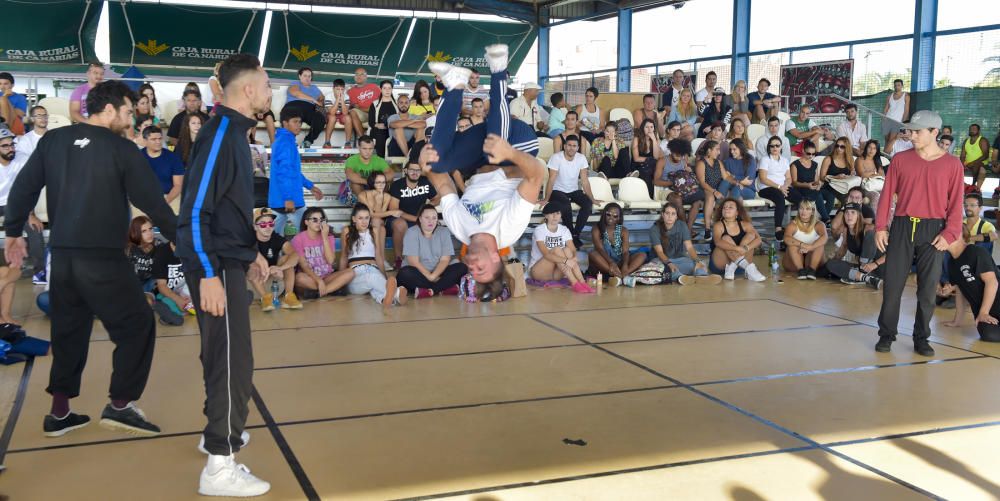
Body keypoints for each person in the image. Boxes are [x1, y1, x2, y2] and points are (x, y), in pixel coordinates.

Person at [4, 80, 178, 441]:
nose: (131, 119)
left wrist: (13, 233)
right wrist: (183, 241)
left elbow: (23, 187)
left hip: (63, 259)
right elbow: (154, 203)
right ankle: (120, 405)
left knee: (69, 332)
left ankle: (60, 413)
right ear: (110, 109)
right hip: (103, 258)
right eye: (129, 111)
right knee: (137, 324)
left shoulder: (53, 141)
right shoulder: (122, 148)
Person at [174, 54, 276, 496]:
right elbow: (194, 210)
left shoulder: (232, 132)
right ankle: (220, 463)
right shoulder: (219, 133)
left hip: (227, 259)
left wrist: (249, 251)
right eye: (268, 85)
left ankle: (217, 430)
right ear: (248, 90)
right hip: (213, 266)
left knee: (224, 356)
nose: (272, 93)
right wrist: (211, 274)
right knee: (233, 363)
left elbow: (227, 206)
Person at [417, 44, 542, 299]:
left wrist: (424, 164)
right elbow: (536, 174)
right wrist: (510, 153)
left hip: (482, 153)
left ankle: (455, 84)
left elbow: (441, 182)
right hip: (519, 144)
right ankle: (498, 70)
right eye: (481, 269)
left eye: (472, 271)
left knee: (436, 162)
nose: (472, 266)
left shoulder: (460, 228)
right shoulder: (509, 229)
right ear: (496, 258)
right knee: (495, 151)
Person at [875, 110, 964, 358]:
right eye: (910, 130)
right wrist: (881, 226)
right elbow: (886, 195)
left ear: (935, 132)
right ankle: (886, 335)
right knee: (892, 285)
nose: (911, 135)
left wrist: (950, 233)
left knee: (927, 289)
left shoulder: (952, 165)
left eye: (917, 131)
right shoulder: (901, 160)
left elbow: (956, 203)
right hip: (903, 226)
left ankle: (921, 337)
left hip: (934, 231)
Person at [339, 203, 406, 308]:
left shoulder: (374, 231)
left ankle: (386, 300)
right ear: (354, 219)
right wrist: (340, 280)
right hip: (355, 273)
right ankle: (396, 293)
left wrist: (384, 278)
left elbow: (378, 256)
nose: (364, 221)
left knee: (375, 284)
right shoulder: (347, 231)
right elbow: (343, 256)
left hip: (373, 268)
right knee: (372, 279)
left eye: (367, 218)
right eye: (360, 218)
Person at [269, 106, 324, 235]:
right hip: (290, 199)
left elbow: (292, 172)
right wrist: (288, 198)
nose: (298, 125)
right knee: (311, 233)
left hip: (281, 199)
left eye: (300, 122)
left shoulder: (285, 141)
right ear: (285, 123)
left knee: (274, 238)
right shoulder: (285, 143)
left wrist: (310, 186)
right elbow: (284, 173)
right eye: (295, 121)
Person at [543, 134, 602, 247]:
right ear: (564, 146)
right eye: (569, 145)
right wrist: (546, 198)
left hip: (574, 190)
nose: (571, 148)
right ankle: (570, 233)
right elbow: (551, 179)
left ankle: (575, 234)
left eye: (574, 146)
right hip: (557, 190)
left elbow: (585, 181)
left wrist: (592, 199)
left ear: (578, 147)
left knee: (587, 204)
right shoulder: (556, 157)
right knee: (565, 204)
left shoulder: (581, 158)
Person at [396, 204, 467, 298]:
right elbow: (414, 262)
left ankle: (430, 291)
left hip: (438, 273)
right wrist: (431, 277)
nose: (431, 221)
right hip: (419, 274)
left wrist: (434, 276)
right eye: (427, 218)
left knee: (461, 267)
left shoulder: (444, 232)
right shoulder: (412, 232)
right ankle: (443, 288)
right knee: (405, 273)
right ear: (420, 219)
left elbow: (445, 260)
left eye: (434, 218)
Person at [942, 237, 1000, 342]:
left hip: (990, 308)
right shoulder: (951, 263)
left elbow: (992, 282)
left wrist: (984, 312)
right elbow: (961, 291)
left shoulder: (976, 251)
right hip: (985, 313)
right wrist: (957, 321)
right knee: (988, 334)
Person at [529, 203, 594, 293]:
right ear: (546, 215)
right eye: (552, 213)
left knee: (567, 250)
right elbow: (547, 255)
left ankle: (582, 282)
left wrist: (574, 257)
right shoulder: (539, 230)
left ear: (561, 215)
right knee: (557, 249)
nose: (555, 216)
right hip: (540, 271)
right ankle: (575, 283)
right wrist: (567, 261)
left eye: (558, 213)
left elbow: (573, 249)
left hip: (557, 273)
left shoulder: (564, 230)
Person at [292, 207, 354, 298]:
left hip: (327, 277)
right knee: (299, 278)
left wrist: (325, 237)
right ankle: (333, 288)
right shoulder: (298, 239)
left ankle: (320, 292)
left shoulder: (329, 237)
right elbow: (304, 266)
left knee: (351, 272)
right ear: (306, 222)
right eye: (314, 220)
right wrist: (318, 280)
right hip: (310, 278)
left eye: (321, 220)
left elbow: (331, 261)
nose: (319, 223)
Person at [650, 204, 718, 285]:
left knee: (696, 264)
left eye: (673, 214)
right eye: (667, 213)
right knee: (662, 270)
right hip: (662, 261)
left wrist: (697, 261)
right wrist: (669, 264)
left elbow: (689, 247)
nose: (670, 216)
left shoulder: (682, 225)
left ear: (676, 216)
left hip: (680, 260)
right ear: (662, 215)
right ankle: (680, 278)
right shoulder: (655, 229)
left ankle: (702, 276)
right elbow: (660, 252)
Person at [249, 208, 302, 311]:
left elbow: (295, 255)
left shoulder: (276, 238)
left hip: (274, 281)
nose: (268, 227)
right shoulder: (249, 240)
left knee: (287, 258)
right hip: (254, 281)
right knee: (251, 264)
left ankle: (289, 296)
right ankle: (265, 298)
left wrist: (280, 268)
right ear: (255, 227)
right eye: (263, 224)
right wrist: (267, 270)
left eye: (270, 223)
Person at [388, 161, 439, 263]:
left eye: (418, 170)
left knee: (432, 222)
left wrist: (427, 208)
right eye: (412, 170)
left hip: (419, 217)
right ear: (405, 170)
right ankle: (399, 259)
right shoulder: (397, 185)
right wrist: (417, 219)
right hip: (399, 218)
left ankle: (428, 260)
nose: (415, 173)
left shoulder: (425, 182)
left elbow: (437, 198)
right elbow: (394, 210)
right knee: (400, 224)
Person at [825, 202, 884, 290]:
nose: (849, 216)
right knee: (830, 264)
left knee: (870, 234)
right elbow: (842, 250)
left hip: (880, 267)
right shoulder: (846, 230)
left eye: (853, 212)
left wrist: (875, 264)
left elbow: (892, 251)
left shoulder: (869, 228)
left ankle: (861, 275)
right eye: (847, 213)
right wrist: (831, 262)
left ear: (859, 215)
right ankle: (866, 278)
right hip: (865, 269)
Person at [654, 138, 704, 235]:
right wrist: (673, 183)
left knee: (697, 201)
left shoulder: (683, 161)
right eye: (677, 154)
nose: (679, 157)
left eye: (681, 155)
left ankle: (688, 229)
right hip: (665, 190)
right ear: (672, 151)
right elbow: (656, 181)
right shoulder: (662, 161)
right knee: (677, 199)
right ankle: (686, 229)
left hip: (682, 189)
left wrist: (688, 172)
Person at [588, 203, 646, 286]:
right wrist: (611, 263)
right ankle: (621, 277)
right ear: (604, 214)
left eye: (615, 216)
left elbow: (626, 252)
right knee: (592, 254)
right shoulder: (596, 229)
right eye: (608, 214)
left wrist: (625, 265)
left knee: (642, 255)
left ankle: (622, 275)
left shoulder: (623, 230)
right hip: (605, 262)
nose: (611, 218)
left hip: (619, 262)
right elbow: (599, 249)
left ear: (619, 218)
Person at [710, 198, 766, 281]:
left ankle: (733, 267)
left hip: (740, 268)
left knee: (751, 236)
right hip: (721, 265)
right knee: (725, 238)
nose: (726, 208)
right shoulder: (718, 225)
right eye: (724, 207)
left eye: (730, 207)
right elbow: (718, 242)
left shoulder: (746, 224)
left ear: (737, 212)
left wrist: (746, 248)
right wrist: (737, 248)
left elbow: (758, 240)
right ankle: (750, 269)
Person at [756, 136, 798, 241]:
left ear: (781, 147)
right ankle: (778, 229)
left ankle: (800, 226)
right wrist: (779, 187)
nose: (775, 148)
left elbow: (789, 178)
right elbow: (763, 178)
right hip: (766, 188)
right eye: (772, 146)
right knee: (780, 198)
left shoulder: (784, 160)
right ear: (769, 148)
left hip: (782, 187)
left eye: (777, 145)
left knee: (800, 198)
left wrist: (784, 186)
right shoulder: (765, 160)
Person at [695, 139, 736, 239]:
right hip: (706, 188)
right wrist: (714, 191)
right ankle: (707, 229)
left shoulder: (718, 162)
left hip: (718, 187)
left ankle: (723, 228)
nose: (719, 152)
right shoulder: (701, 163)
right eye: (717, 149)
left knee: (726, 197)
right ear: (709, 151)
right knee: (710, 198)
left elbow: (726, 177)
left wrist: (737, 182)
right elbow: (702, 182)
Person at [281, 67, 327, 147]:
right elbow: (296, 93)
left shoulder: (314, 88)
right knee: (293, 116)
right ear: (300, 76)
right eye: (305, 76)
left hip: (309, 108)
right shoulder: (295, 83)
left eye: (309, 76)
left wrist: (320, 103)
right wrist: (313, 100)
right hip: (294, 105)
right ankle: (290, 141)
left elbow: (322, 97)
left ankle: (308, 141)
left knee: (321, 119)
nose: (307, 78)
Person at [782, 200, 828, 279]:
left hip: (812, 258)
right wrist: (802, 245)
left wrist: (811, 247)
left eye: (807, 209)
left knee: (820, 245)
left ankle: (812, 270)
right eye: (801, 208)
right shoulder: (793, 224)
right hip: (794, 260)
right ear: (798, 210)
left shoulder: (819, 224)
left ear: (812, 211)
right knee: (792, 245)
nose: (804, 211)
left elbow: (825, 238)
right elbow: (786, 238)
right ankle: (801, 270)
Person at [141, 127, 184, 208]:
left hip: (169, 197)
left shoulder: (173, 158)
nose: (158, 142)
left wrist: (165, 202)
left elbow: (178, 185)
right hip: (143, 199)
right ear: (145, 141)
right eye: (153, 139)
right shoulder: (137, 157)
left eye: (160, 138)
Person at [357, 171, 395, 262]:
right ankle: (380, 259)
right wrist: (392, 212)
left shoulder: (387, 196)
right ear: (372, 182)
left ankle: (379, 258)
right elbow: (370, 214)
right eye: (378, 182)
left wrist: (379, 198)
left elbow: (381, 215)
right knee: (380, 227)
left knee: (380, 225)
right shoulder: (363, 195)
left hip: (377, 222)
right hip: (363, 222)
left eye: (383, 182)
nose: (381, 184)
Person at [790, 141, 828, 222]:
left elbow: (816, 180)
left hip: (811, 188)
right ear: (803, 151)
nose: (811, 156)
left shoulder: (814, 164)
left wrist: (818, 184)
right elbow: (794, 182)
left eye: (813, 154)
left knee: (827, 195)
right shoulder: (795, 164)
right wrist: (807, 185)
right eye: (808, 153)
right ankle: (825, 219)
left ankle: (821, 219)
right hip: (800, 189)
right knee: (817, 195)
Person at [819, 136, 859, 211]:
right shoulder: (828, 159)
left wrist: (852, 174)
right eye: (837, 146)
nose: (838, 148)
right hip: (830, 186)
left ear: (847, 148)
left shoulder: (850, 160)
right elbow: (822, 177)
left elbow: (851, 174)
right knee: (844, 199)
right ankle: (826, 220)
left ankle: (843, 218)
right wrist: (836, 177)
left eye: (842, 147)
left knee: (851, 198)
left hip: (844, 186)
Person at [346, 68, 381, 148]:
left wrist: (372, 109)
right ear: (354, 77)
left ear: (366, 77)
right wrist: (370, 109)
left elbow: (382, 101)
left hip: (377, 114)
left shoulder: (374, 87)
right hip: (365, 114)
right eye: (357, 74)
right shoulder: (351, 91)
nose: (359, 76)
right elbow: (356, 107)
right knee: (353, 111)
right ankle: (363, 140)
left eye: (362, 74)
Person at [631, 118, 663, 196]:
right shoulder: (637, 138)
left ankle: (650, 197)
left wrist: (654, 140)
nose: (649, 129)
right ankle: (650, 197)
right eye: (647, 127)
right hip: (638, 165)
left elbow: (656, 156)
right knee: (652, 164)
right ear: (643, 128)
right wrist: (650, 159)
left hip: (650, 166)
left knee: (651, 168)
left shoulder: (656, 140)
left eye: (651, 127)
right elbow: (636, 158)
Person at [368, 80, 398, 157]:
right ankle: (381, 161)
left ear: (392, 89)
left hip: (393, 130)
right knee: (380, 134)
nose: (387, 90)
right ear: (381, 89)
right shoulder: (375, 104)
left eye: (389, 88)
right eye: (385, 88)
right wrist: (378, 125)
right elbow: (371, 122)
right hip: (379, 131)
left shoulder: (397, 104)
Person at [855, 139, 886, 212]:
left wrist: (871, 174)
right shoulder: (859, 160)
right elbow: (862, 174)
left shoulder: (877, 160)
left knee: (888, 196)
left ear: (877, 150)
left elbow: (882, 175)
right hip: (865, 187)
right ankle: (874, 221)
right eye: (870, 147)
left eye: (874, 148)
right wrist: (875, 173)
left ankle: (888, 221)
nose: (871, 150)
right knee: (875, 196)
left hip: (878, 185)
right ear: (866, 148)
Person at [960, 123, 991, 190]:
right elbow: (962, 155)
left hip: (982, 164)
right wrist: (962, 164)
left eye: (974, 129)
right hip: (968, 164)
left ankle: (973, 185)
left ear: (979, 131)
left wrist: (973, 163)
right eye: (970, 129)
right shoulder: (966, 141)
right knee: (955, 167)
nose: (971, 130)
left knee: (977, 165)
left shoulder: (982, 140)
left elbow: (985, 155)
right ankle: (963, 187)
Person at [323, 79, 351, 148]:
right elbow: (332, 112)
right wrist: (338, 99)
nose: (340, 91)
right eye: (338, 89)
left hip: (341, 114)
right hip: (330, 114)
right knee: (332, 118)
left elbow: (345, 112)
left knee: (348, 118)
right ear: (333, 89)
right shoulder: (328, 96)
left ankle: (347, 142)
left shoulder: (346, 96)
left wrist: (342, 101)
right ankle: (327, 142)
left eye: (342, 89)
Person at [883, 78, 910, 144]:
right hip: (888, 120)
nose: (896, 87)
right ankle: (885, 154)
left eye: (898, 85)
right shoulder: (890, 96)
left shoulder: (906, 96)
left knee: (891, 140)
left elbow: (906, 111)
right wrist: (884, 119)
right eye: (895, 85)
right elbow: (886, 109)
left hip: (897, 122)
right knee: (886, 140)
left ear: (902, 86)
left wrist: (903, 123)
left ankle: (889, 154)